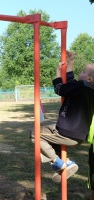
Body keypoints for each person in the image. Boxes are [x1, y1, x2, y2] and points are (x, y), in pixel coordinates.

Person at [31, 50, 94, 183]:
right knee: (47, 135)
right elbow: (71, 82)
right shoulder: (88, 90)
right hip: (79, 136)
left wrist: (58, 72)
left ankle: (58, 162)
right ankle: (65, 162)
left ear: (89, 79)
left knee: (35, 133)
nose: (80, 73)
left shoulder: (81, 86)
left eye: (83, 71)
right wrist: (70, 62)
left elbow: (60, 89)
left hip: (67, 132)